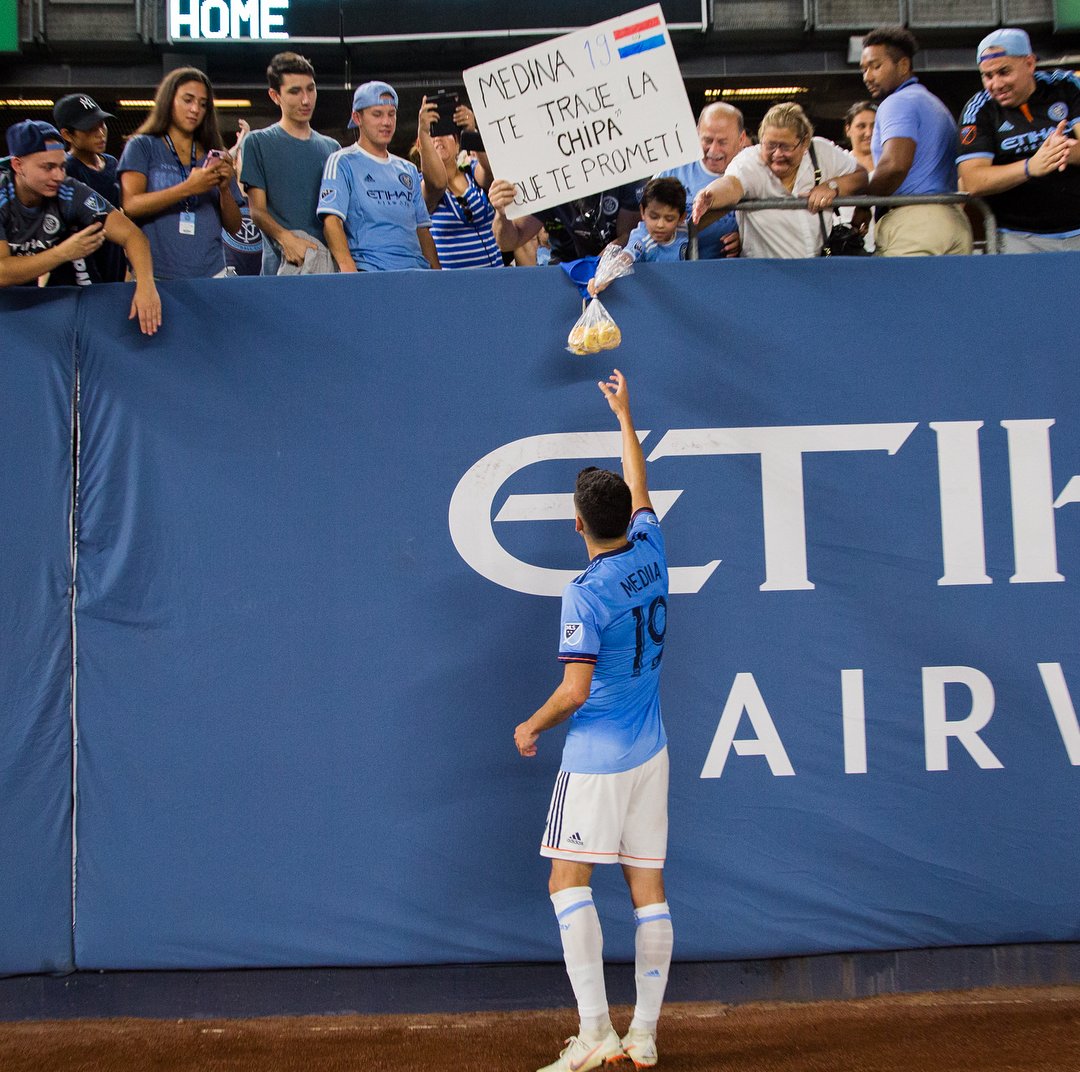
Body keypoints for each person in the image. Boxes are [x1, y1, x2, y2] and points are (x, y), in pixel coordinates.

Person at [515, 370, 672, 1072]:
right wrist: (625, 414)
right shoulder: (652, 549)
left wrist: (531, 725)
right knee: (648, 888)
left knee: (566, 883)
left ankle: (597, 1033)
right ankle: (643, 1036)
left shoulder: (585, 593)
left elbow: (574, 690)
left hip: (599, 756)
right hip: (652, 751)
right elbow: (641, 488)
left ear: (576, 524)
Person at [0, 119, 161, 334]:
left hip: (20, 300)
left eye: (61, 166)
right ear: (18, 165)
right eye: (47, 167)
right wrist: (63, 253)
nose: (58, 176)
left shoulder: (67, 190)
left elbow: (133, 236)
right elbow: (2, 273)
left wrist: (146, 285)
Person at [957, 28, 1080, 253]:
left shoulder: (1065, 85)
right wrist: (1030, 166)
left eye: (1004, 72)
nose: (996, 84)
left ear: (1030, 63)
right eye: (987, 75)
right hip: (1018, 238)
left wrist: (1065, 152)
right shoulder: (978, 110)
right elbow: (973, 180)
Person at [691, 102, 867, 258]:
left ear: (804, 142)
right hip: (766, 275)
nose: (777, 154)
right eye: (770, 145)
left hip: (818, 269)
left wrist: (833, 186)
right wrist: (710, 196)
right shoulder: (750, 160)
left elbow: (861, 176)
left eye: (785, 147)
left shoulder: (821, 151)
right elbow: (731, 184)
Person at [857, 26, 972, 256]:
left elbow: (894, 166)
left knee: (896, 293)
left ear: (903, 66)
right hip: (953, 219)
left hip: (916, 223)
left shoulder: (898, 102)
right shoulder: (934, 103)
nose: (868, 76)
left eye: (876, 66)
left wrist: (863, 204)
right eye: (864, 69)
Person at [119, 67, 243, 279]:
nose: (195, 109)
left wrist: (224, 190)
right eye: (188, 100)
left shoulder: (214, 154)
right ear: (169, 101)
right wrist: (188, 188)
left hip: (212, 273)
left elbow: (234, 227)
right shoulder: (142, 146)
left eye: (203, 104)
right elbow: (131, 206)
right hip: (155, 275)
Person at [318, 81, 439, 272]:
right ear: (357, 118)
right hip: (371, 274)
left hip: (416, 275)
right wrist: (349, 272)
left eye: (391, 114)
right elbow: (331, 222)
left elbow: (422, 230)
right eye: (377, 114)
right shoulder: (342, 161)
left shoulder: (407, 169)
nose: (386, 122)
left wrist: (438, 277)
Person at [241, 52, 340, 275]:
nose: (306, 100)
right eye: (295, 91)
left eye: (310, 89)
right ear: (275, 96)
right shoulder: (257, 142)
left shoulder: (332, 148)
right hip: (283, 268)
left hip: (328, 269)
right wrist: (286, 238)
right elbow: (257, 210)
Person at [416, 96, 502, 269]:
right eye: (433, 135)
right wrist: (423, 131)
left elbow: (493, 174)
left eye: (444, 132)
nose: (438, 139)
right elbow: (436, 184)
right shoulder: (421, 187)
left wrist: (472, 131)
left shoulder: (472, 172)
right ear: (422, 146)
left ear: (457, 142)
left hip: (495, 278)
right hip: (455, 287)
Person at [653, 101, 743, 259]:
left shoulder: (753, 173)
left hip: (728, 273)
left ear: (741, 140)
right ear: (696, 134)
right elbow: (646, 225)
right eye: (707, 140)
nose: (713, 150)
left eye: (723, 142)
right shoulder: (670, 172)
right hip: (675, 271)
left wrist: (744, 240)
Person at [53, 93, 127, 283]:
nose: (100, 133)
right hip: (79, 268)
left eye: (102, 124)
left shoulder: (112, 164)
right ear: (67, 135)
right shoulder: (65, 171)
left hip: (112, 259)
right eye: (90, 129)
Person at [488, 179, 640, 264]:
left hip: (618, 266)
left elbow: (628, 236)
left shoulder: (627, 176)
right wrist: (501, 214)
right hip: (567, 267)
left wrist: (595, 266)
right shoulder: (548, 179)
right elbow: (509, 243)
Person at [590, 178, 688, 295]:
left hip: (678, 290)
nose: (660, 225)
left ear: (681, 218)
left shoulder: (685, 227)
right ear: (642, 211)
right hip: (649, 295)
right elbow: (626, 256)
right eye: (654, 217)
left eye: (669, 219)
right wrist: (605, 277)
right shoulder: (642, 238)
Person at [840, 100, 877, 250]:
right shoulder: (837, 164)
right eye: (861, 126)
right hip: (847, 250)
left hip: (888, 248)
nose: (869, 132)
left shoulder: (892, 167)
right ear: (848, 129)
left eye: (874, 126)